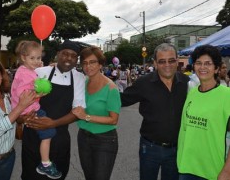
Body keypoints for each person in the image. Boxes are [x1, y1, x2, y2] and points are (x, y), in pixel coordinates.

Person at [120, 43, 190, 180]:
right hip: (150, 148)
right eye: (162, 61)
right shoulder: (143, 83)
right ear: (155, 63)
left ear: (177, 61)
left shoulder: (188, 84)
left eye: (171, 60)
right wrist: (102, 84)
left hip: (177, 148)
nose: (167, 65)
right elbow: (120, 100)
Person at [20, 40, 86, 180]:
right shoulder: (40, 72)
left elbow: (77, 112)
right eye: (65, 54)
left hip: (59, 138)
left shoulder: (79, 78)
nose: (68, 58)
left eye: (73, 56)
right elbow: (21, 97)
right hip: (33, 136)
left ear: (76, 60)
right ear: (57, 54)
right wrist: (24, 118)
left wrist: (52, 124)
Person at [177, 45, 230, 180]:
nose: (202, 67)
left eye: (208, 63)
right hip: (186, 167)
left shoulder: (227, 96)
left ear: (217, 68)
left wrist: (227, 171)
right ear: (194, 66)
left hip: (213, 171)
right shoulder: (192, 93)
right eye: (199, 63)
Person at [11, 40, 61, 179]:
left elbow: (33, 78)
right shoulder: (25, 74)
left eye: (38, 58)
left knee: (45, 133)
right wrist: (39, 94)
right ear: (23, 57)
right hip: (29, 110)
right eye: (32, 58)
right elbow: (23, 95)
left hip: (29, 109)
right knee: (49, 132)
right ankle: (45, 164)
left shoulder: (25, 70)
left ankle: (44, 162)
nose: (36, 61)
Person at [72, 46, 121, 180]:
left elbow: (113, 119)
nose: (88, 66)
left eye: (92, 62)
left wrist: (86, 117)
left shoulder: (111, 88)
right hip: (83, 137)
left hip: (105, 140)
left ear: (100, 64)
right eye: (85, 63)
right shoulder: (83, 82)